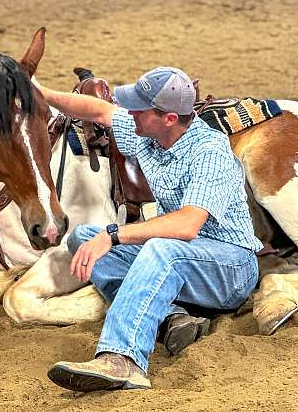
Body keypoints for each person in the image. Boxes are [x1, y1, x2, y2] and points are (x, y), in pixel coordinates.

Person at [42, 67, 262, 392]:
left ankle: (124, 359)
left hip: (230, 268)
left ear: (169, 118)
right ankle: (170, 315)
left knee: (161, 248)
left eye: (139, 108)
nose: (130, 112)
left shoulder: (209, 152)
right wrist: (40, 94)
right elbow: (100, 110)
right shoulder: (147, 133)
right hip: (186, 259)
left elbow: (188, 225)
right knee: (83, 237)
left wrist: (114, 234)